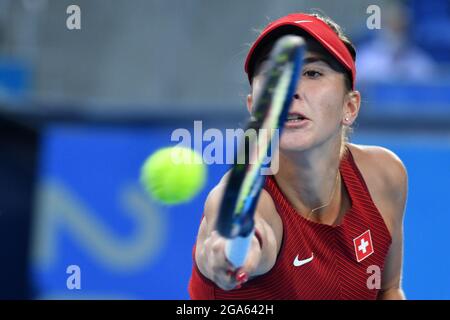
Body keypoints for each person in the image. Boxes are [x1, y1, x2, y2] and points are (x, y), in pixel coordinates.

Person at [188, 12, 408, 300]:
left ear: (350, 106)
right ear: (256, 107)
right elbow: (232, 237)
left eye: (312, 73)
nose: (289, 89)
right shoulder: (256, 204)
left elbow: (388, 290)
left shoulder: (384, 176)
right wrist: (226, 254)